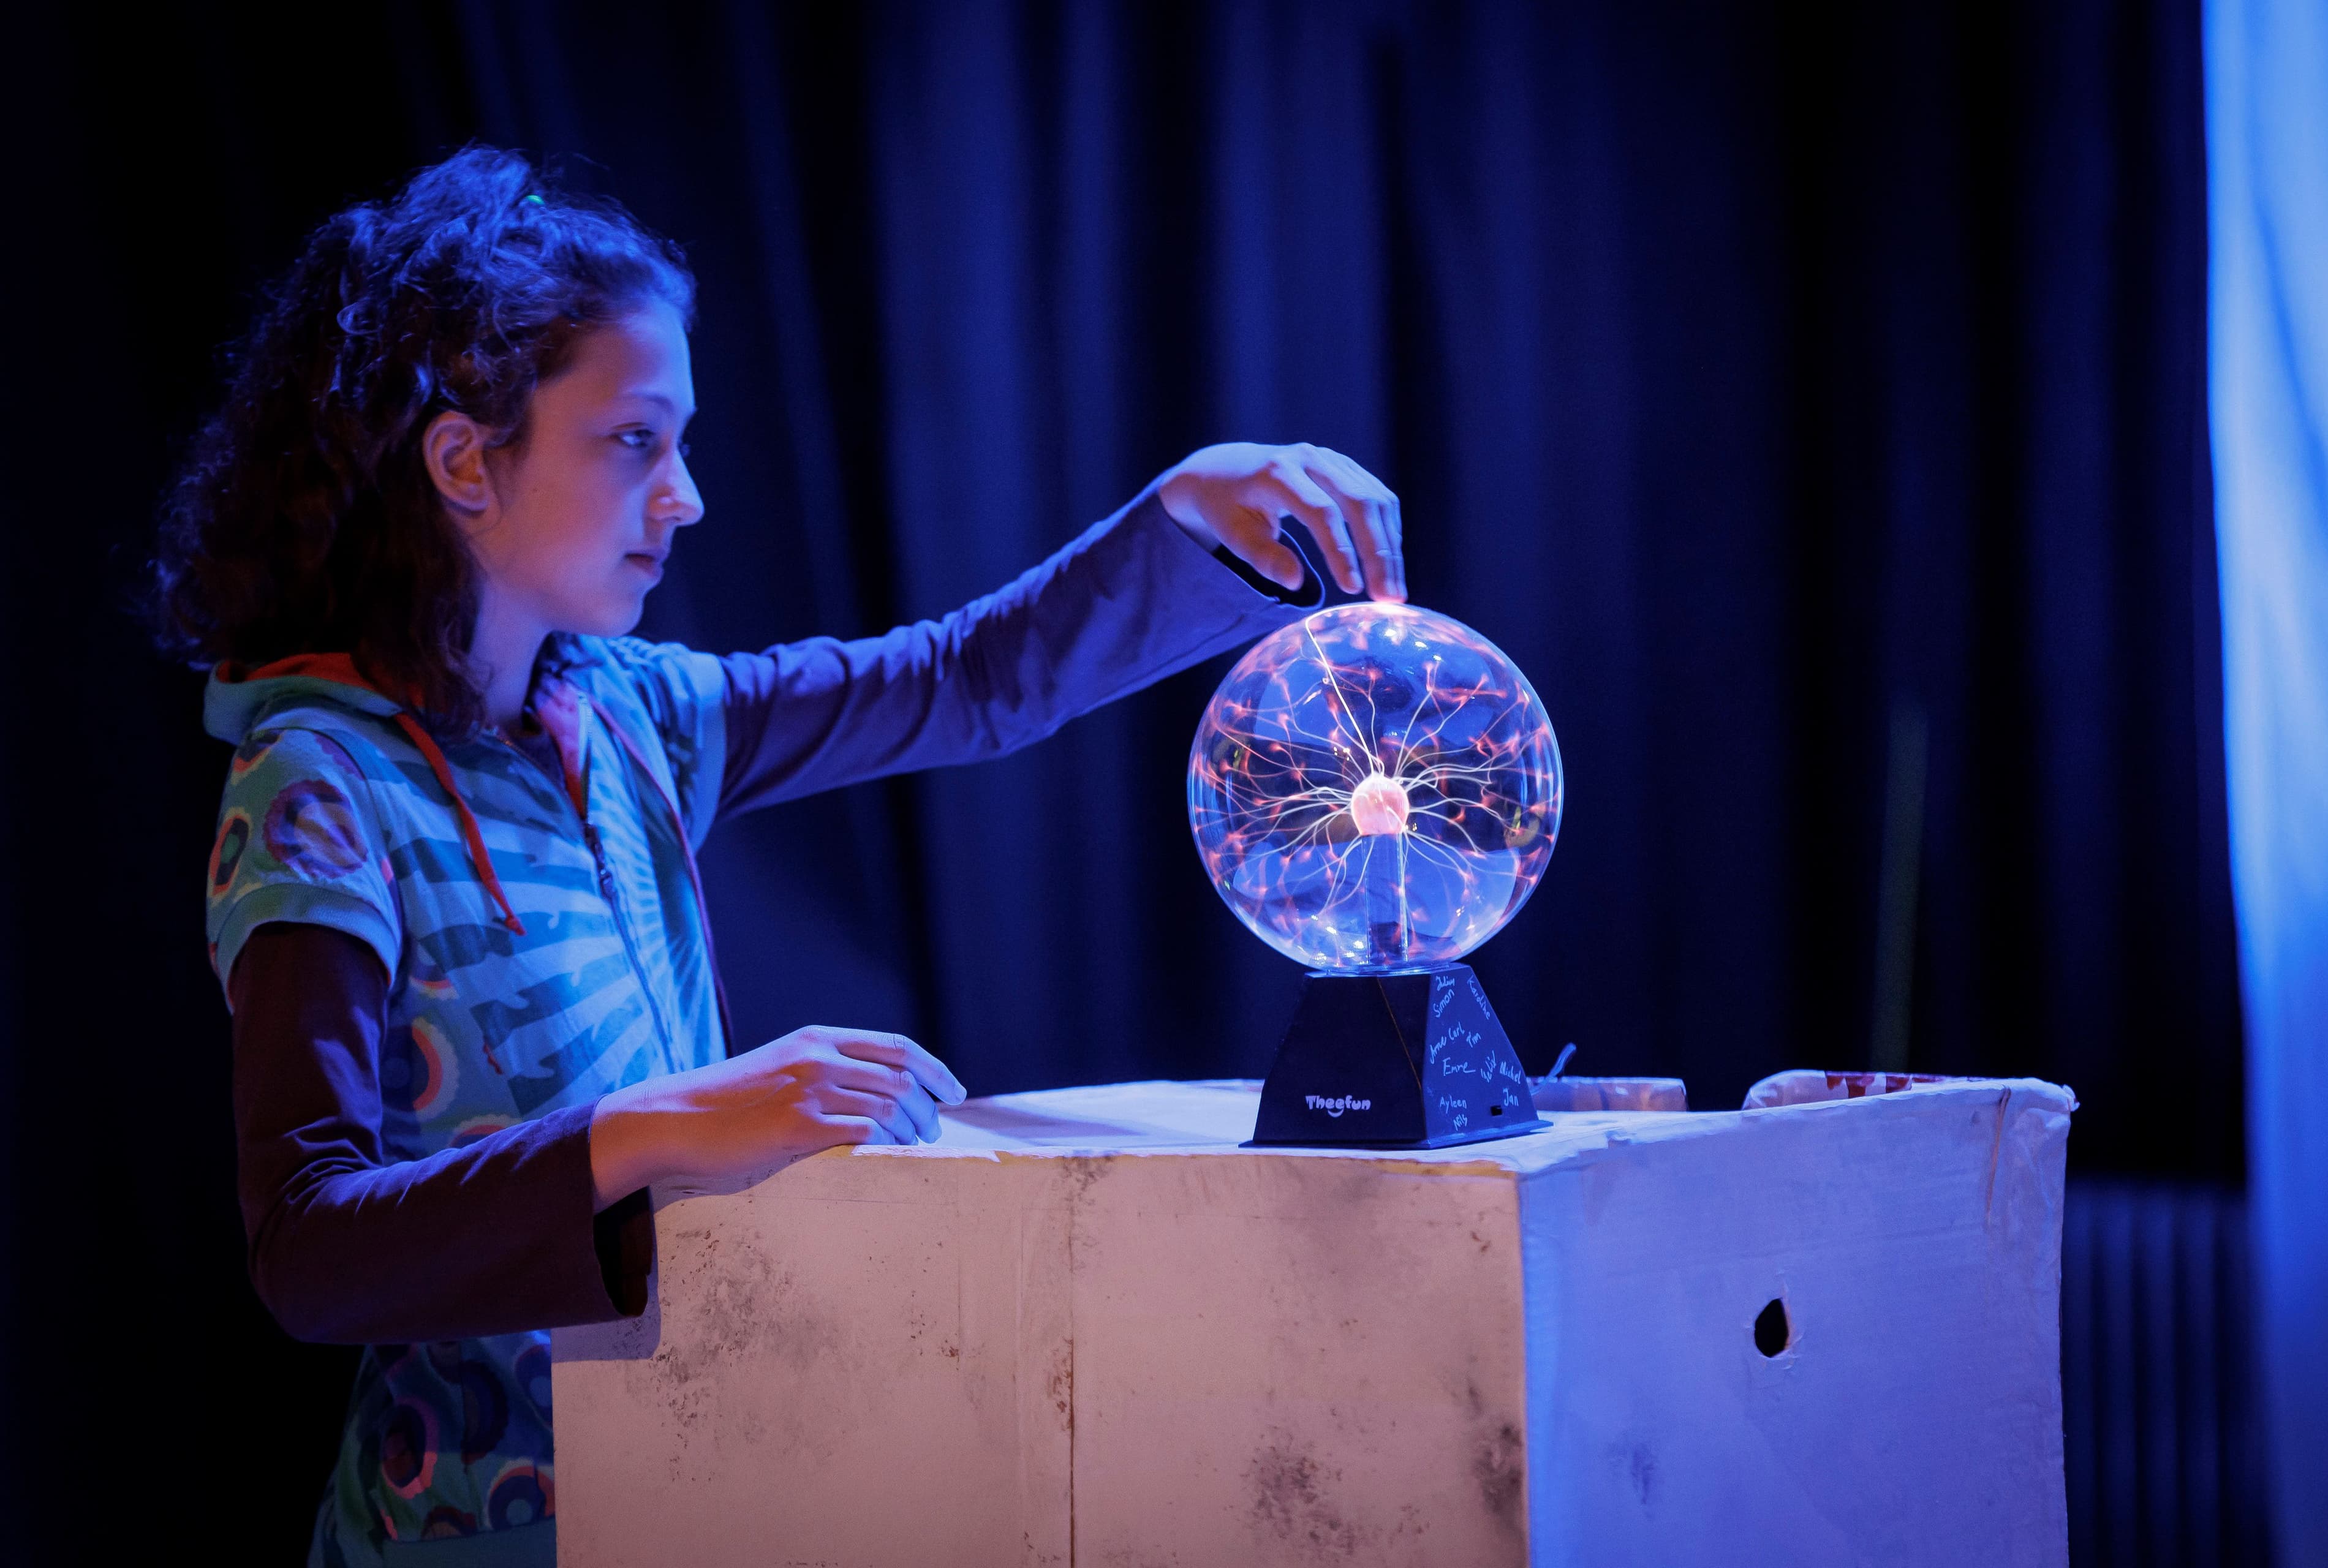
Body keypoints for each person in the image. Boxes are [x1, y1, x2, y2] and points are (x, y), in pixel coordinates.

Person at [148, 146, 1404, 1566]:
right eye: (635, 441)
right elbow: (310, 1249)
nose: (684, 495)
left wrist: (1181, 510)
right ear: (463, 461)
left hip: (690, 1498)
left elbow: (964, 679)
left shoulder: (633, 716)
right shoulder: (322, 779)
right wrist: (668, 1124)